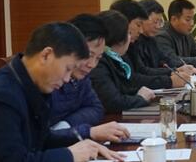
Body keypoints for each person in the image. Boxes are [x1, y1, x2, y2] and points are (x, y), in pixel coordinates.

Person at [0, 22, 121, 162]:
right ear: (46, 55)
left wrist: (84, 142)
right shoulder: (1, 95)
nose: (67, 79)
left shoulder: (30, 83)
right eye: (67, 69)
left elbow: (42, 140)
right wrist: (69, 155)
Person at [49, 14, 133, 142]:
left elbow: (96, 108)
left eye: (98, 58)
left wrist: (66, 125)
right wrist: (85, 131)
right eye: (88, 55)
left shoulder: (81, 76)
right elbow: (42, 137)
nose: (92, 65)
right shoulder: (48, 80)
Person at [91, 9, 159, 113]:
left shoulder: (116, 58)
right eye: (128, 33)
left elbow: (124, 88)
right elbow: (113, 102)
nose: (130, 38)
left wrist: (139, 92)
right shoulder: (99, 63)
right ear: (119, 37)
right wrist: (141, 98)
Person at [122, 0, 195, 83]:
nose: (158, 27)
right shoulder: (132, 42)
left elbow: (166, 59)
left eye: (160, 22)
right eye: (155, 22)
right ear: (143, 19)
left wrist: (181, 68)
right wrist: (172, 76)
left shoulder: (152, 40)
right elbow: (142, 71)